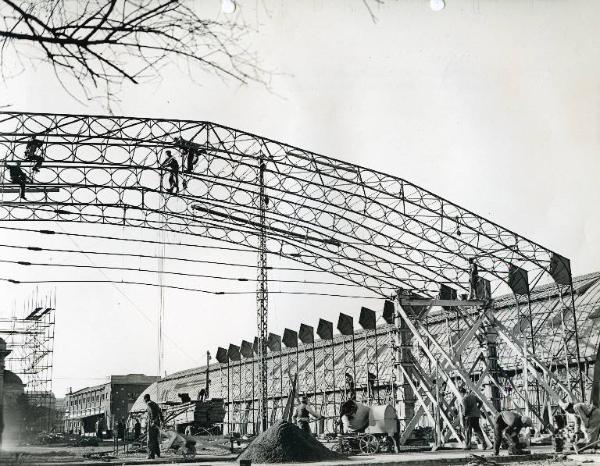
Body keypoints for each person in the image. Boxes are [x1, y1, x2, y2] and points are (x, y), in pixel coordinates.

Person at [144, 393, 164, 459]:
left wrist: (152, 421)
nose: (144, 401)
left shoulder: (149, 403)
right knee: (155, 439)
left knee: (150, 439)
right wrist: (161, 420)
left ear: (146, 399)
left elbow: (152, 412)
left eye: (144, 400)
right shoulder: (155, 404)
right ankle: (158, 453)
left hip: (152, 424)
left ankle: (151, 455)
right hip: (157, 423)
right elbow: (160, 412)